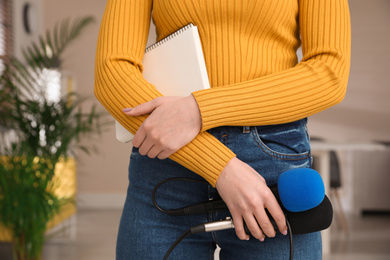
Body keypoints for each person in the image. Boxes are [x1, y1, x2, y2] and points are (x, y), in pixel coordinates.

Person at [94, 0, 351, 259]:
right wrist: (220, 167)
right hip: (168, 162)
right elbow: (112, 72)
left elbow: (329, 73)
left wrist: (199, 109)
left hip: (271, 169)